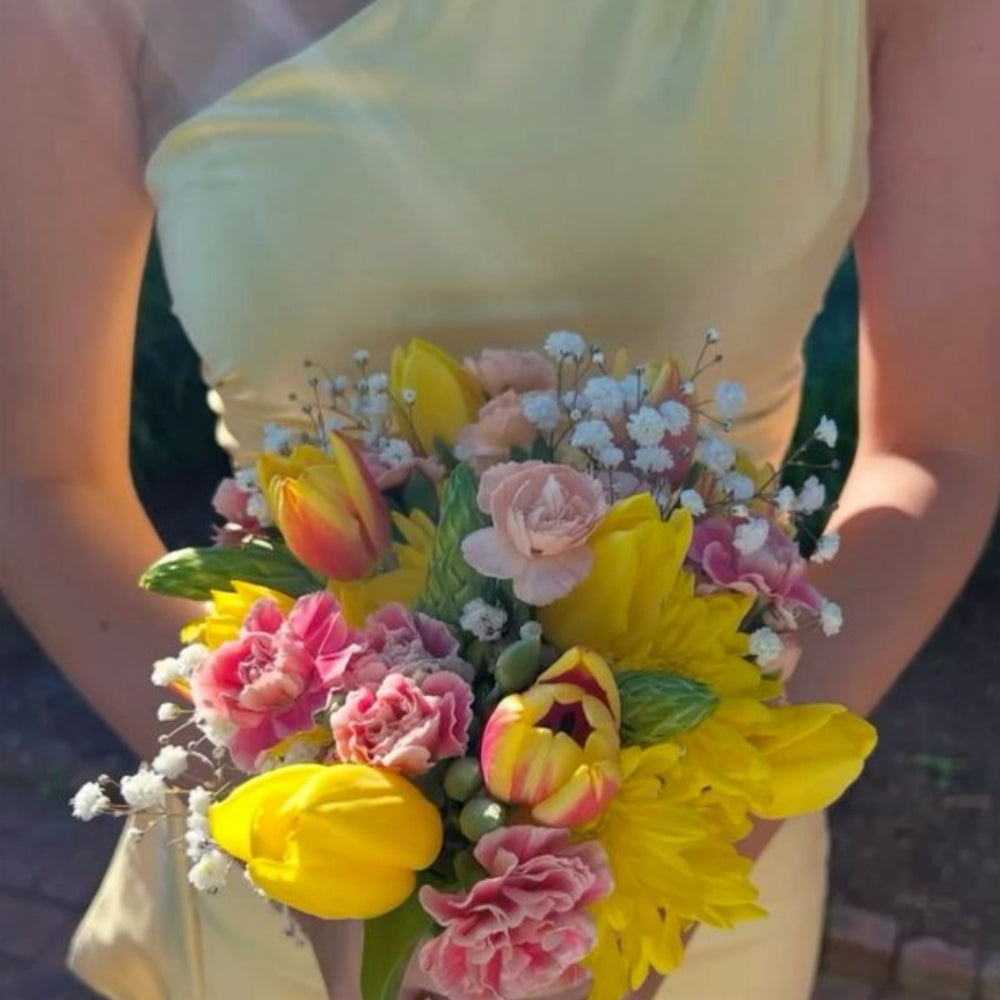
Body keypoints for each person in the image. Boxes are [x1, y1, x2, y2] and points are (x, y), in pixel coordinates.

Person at [2, 1, 999, 998]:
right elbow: (38, 476)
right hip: (295, 870)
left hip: (687, 875)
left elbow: (940, 446)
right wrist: (327, 862)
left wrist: (643, 875)